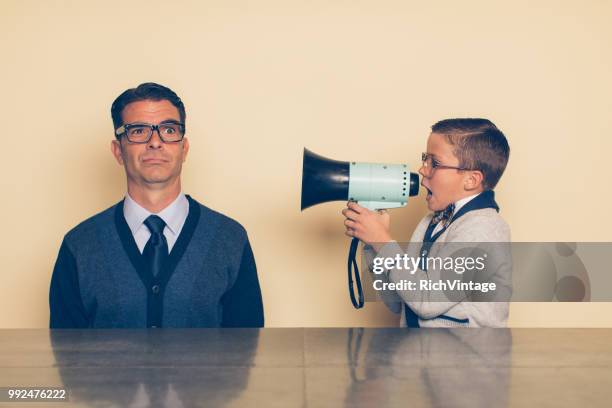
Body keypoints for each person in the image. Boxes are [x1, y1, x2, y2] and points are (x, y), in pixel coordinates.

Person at [50, 82, 264, 328]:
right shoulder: (79, 245)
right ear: (118, 151)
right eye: (138, 131)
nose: (155, 142)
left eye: (169, 130)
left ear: (184, 149)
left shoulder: (229, 239)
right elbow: (67, 359)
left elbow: (247, 354)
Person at [342, 118, 511, 327]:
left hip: (464, 357)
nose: (422, 169)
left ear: (471, 180)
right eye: (425, 159)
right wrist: (372, 244)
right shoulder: (432, 222)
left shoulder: (484, 229)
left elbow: (427, 301)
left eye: (434, 163)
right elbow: (398, 301)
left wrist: (383, 242)